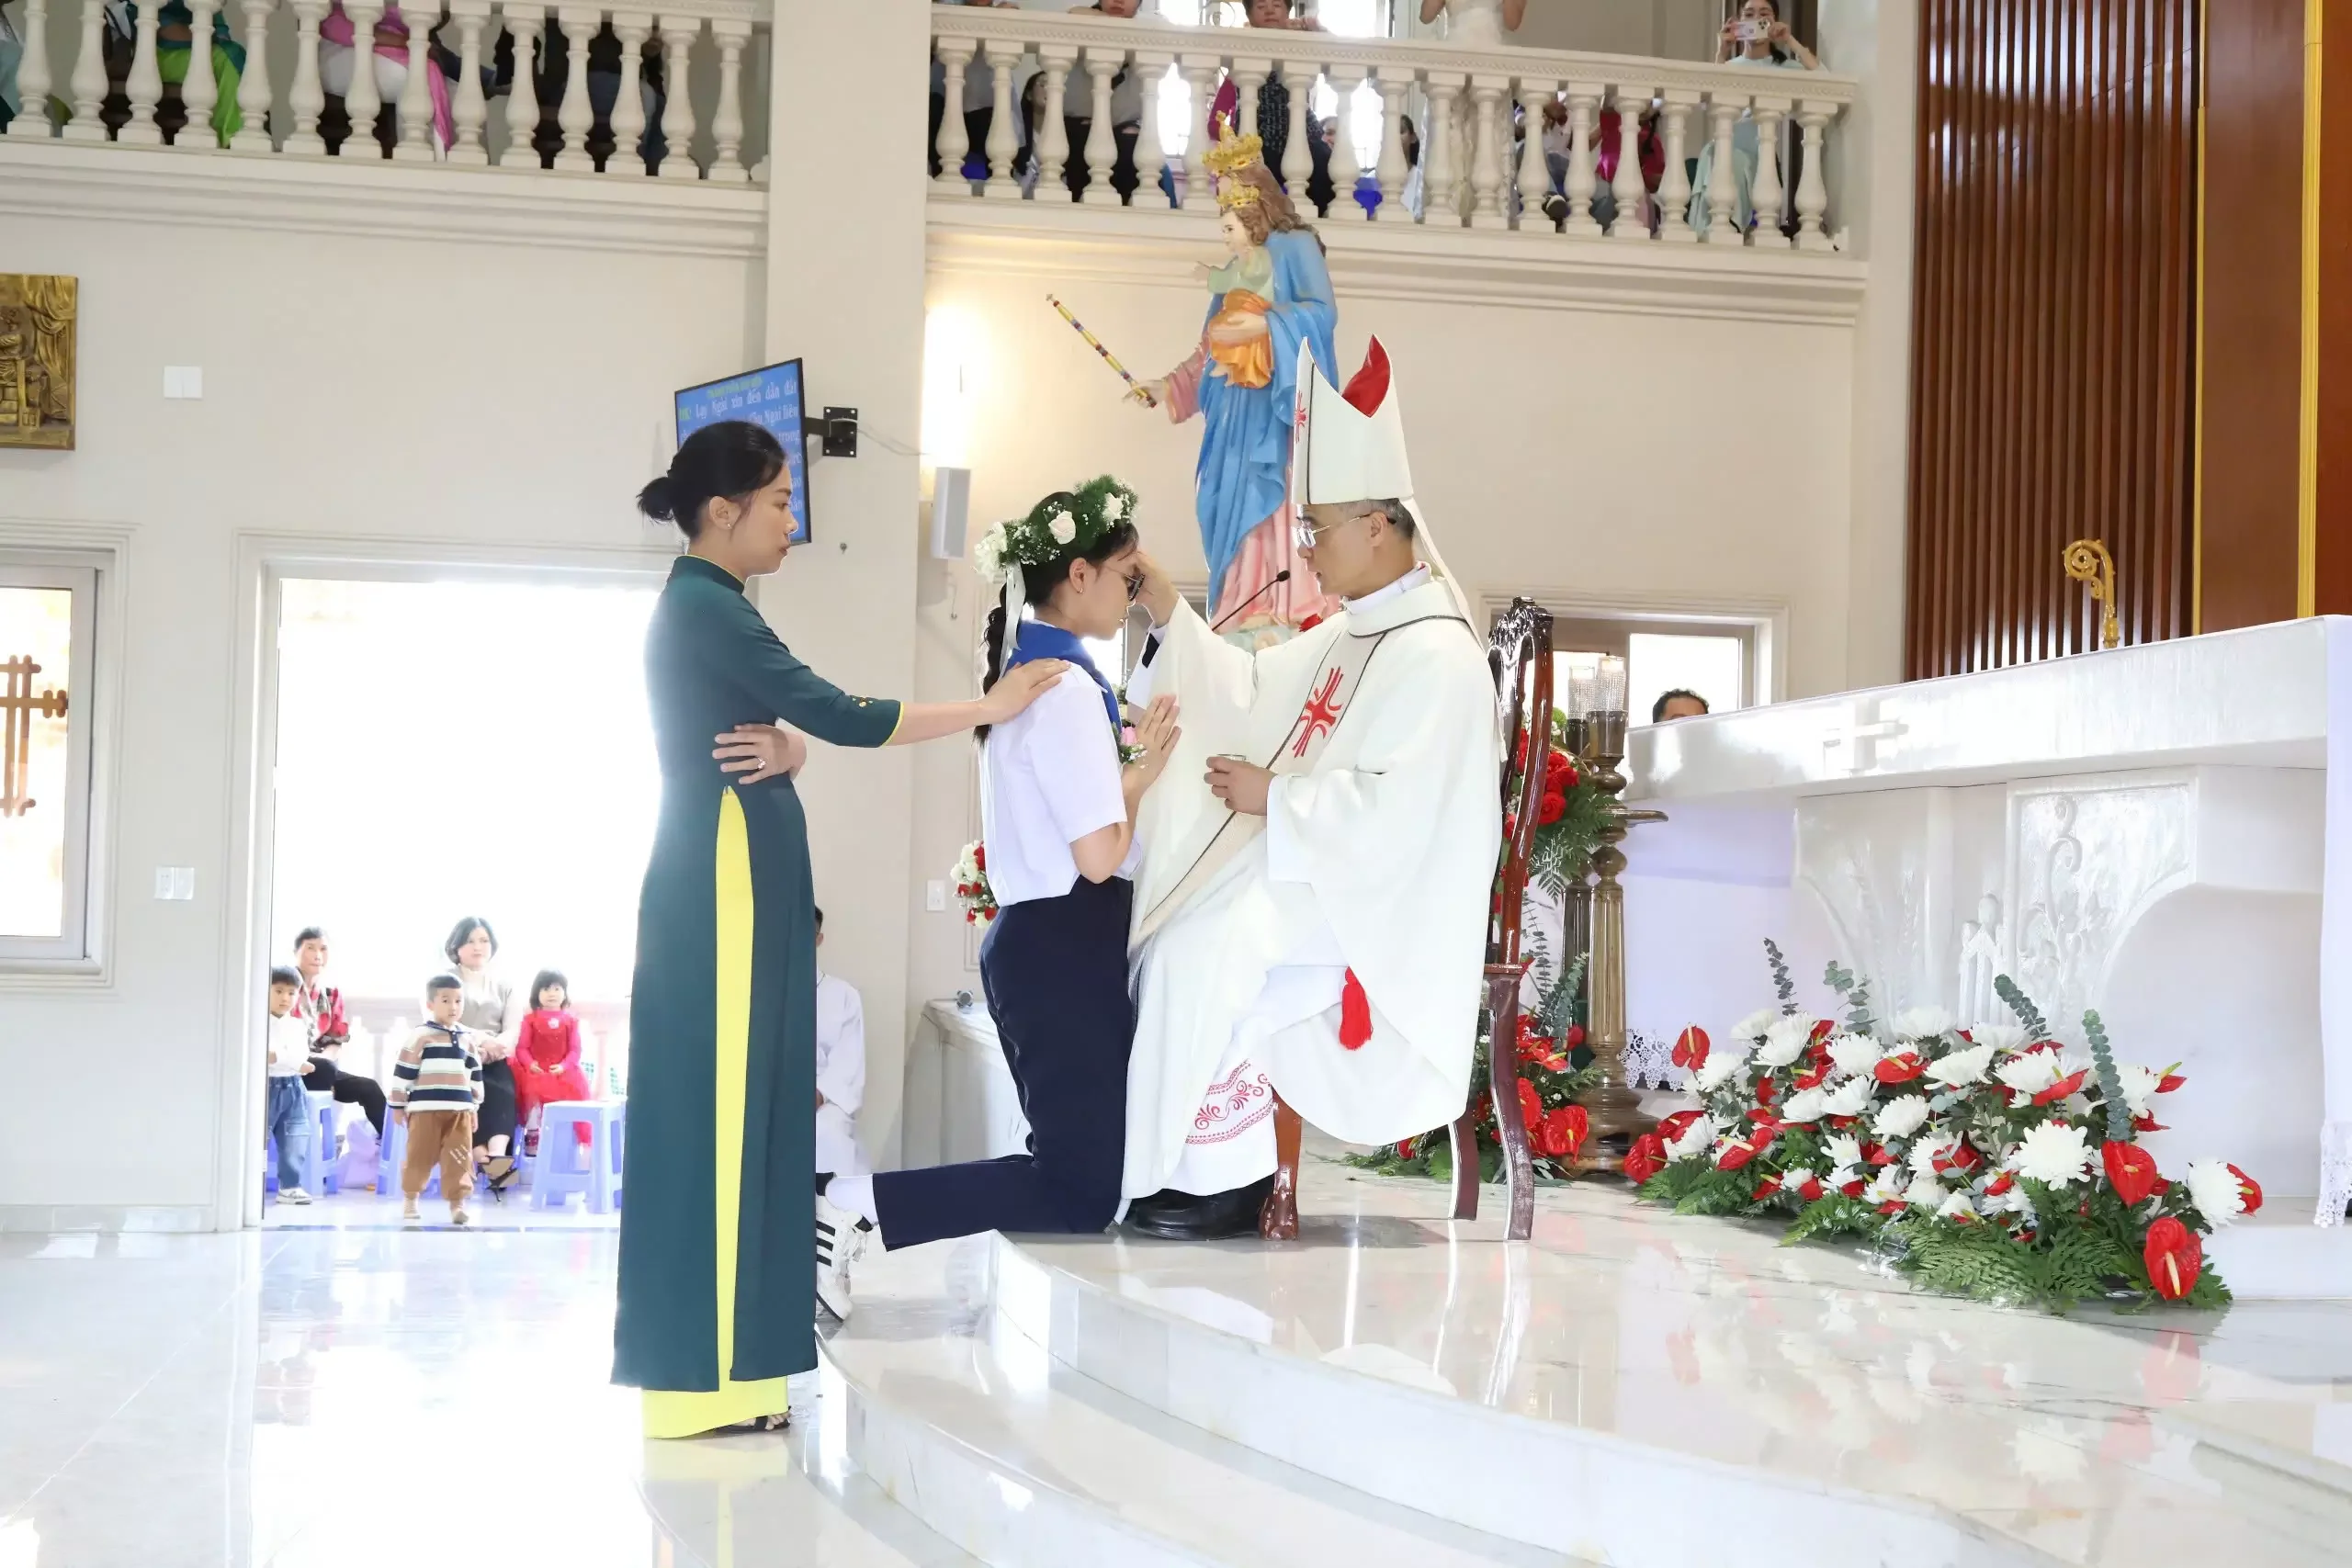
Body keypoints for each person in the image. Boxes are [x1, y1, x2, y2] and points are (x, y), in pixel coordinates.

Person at [616, 419, 1068, 1439]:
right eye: (778, 503)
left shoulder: (713, 606)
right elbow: (842, 711)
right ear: (722, 512)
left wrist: (792, 750)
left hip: (738, 876)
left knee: (750, 1116)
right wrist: (986, 704)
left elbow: (786, 727)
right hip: (723, 887)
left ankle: (736, 1374)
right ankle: (705, 1381)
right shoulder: (708, 609)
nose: (791, 523)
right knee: (728, 1120)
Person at [1120, 338, 1501, 1240]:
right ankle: (1204, 1170)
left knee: (1202, 952)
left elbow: (1406, 815)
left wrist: (1275, 799)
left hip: (1378, 898)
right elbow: (1249, 690)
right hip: (1316, 874)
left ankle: (1215, 1181)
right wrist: (1166, 608)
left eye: (1315, 530)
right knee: (1179, 942)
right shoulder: (1351, 635)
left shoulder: (1438, 653)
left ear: (1377, 526)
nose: (1305, 553)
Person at [816, 478, 1181, 1306]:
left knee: (1083, 1176)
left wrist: (1127, 776)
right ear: (1077, 575)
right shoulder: (1068, 690)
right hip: (1064, 942)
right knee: (1079, 1186)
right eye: (1125, 574)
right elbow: (1098, 858)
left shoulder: (1031, 675)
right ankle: (853, 1204)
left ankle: (857, 1207)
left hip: (1043, 942)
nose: (1133, 590)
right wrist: (1144, 779)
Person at [1138, 133, 1339, 645]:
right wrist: (1168, 385)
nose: (1226, 211)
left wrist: (1265, 328)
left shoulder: (1294, 248)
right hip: (1232, 414)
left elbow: (1321, 313)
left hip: (1276, 407)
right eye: (1222, 202)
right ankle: (1239, 602)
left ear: (1257, 198)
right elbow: (1209, 345)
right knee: (1229, 506)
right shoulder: (1236, 269)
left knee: (1274, 497)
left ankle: (1288, 602)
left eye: (1233, 198)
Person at [1690, 0, 1821, 239]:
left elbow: (1823, 79)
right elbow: (1707, 99)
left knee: (1729, 158)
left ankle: (1729, 227)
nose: (1757, 19)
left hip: (1760, 152)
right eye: (1749, 14)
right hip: (1726, 144)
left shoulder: (1785, 67)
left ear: (1774, 20)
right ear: (1740, 22)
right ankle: (1709, 231)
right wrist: (1722, 50)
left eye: (1764, 14)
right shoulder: (1729, 66)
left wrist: (1789, 41)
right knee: (1714, 152)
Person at [390, 975, 486, 1227]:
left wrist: (474, 1107)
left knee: (459, 1158)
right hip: (425, 1111)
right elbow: (403, 1071)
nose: (453, 1007)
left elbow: (474, 1076)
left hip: (459, 1113)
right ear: (431, 1004)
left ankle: (458, 1206)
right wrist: (398, 1105)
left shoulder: (467, 1039)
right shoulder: (420, 1036)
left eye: (458, 1000)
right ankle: (411, 1199)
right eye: (446, 1000)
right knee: (419, 1156)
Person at [810, 907, 865, 1318]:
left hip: (821, 1100)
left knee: (827, 1136)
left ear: (819, 938)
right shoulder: (760, 987)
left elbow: (847, 1062)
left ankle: (827, 1263)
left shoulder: (842, 995)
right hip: (768, 1099)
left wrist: (816, 1094)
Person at [443, 917, 523, 1192]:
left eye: (484, 940)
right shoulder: (445, 980)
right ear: (457, 946)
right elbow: (443, 1021)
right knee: (472, 1089)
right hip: (457, 1056)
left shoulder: (504, 983)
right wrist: (480, 1042)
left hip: (495, 1057)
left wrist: (496, 1046)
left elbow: (513, 1028)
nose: (478, 947)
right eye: (470, 941)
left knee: (502, 1086)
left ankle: (496, 1156)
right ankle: (487, 1161)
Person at [289, 928, 389, 1140]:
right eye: (310, 948)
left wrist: (322, 1065)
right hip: (288, 1067)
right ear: (296, 951)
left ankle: (393, 1150)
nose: (318, 955)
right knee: (323, 1070)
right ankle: (310, 1147)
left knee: (368, 1088)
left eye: (323, 949)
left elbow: (336, 1038)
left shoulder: (330, 994)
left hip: (321, 1068)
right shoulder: (284, 987)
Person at [1063, 0, 1145, 202]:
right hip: (1080, 133)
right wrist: (1110, 23)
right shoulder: (1082, 21)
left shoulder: (1146, 29)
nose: (1118, 0)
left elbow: (1163, 26)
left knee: (1132, 150)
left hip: (1127, 136)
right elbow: (1074, 12)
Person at [513, 969, 591, 1152]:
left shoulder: (571, 1021)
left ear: (564, 993)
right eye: (546, 989)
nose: (552, 994)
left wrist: (564, 1066)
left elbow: (575, 1050)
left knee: (573, 1100)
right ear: (536, 993)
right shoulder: (529, 1020)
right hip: (536, 1071)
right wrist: (530, 1063)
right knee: (531, 1095)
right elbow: (522, 1048)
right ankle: (533, 1139)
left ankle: (569, 1144)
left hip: (564, 1074)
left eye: (557, 989)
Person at [264, 965, 316, 1207]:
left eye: (292, 992)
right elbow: (266, 1056)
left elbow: (299, 1055)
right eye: (279, 991)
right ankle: (251, 1184)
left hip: (293, 1087)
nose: (286, 998)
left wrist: (283, 1058)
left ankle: (290, 1187)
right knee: (257, 1137)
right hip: (265, 1087)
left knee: (295, 1136)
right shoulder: (258, 1022)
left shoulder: (297, 1025)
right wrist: (293, 1061)